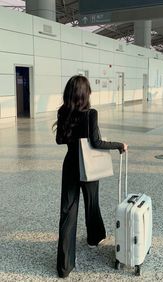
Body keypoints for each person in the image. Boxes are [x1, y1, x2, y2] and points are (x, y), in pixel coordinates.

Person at [53, 75, 128, 278]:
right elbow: (96, 143)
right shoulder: (90, 114)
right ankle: (94, 238)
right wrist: (119, 145)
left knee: (68, 212)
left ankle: (64, 266)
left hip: (70, 165)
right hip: (88, 166)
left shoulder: (63, 112)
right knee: (91, 202)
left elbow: (60, 140)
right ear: (85, 94)